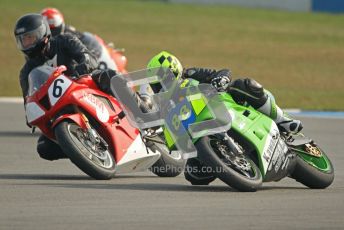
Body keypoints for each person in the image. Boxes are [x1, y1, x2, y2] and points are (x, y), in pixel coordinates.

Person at [145, 51, 303, 184]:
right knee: (193, 175)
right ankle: (229, 162)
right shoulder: (165, 105)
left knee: (245, 85)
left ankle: (283, 119)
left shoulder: (191, 74)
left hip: (224, 106)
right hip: (198, 130)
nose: (160, 87)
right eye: (156, 84)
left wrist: (220, 80)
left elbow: (222, 72)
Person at [14, 13, 140, 161]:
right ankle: (83, 148)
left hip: (83, 83)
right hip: (59, 108)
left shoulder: (64, 40)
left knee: (109, 76)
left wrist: (84, 65)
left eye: (31, 37)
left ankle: (141, 110)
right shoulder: (26, 72)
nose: (27, 43)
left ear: (43, 33)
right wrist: (31, 114)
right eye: (24, 40)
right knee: (44, 147)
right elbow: (28, 101)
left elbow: (86, 55)